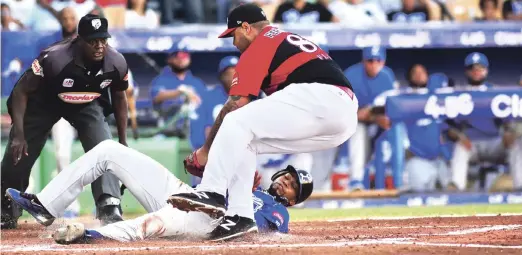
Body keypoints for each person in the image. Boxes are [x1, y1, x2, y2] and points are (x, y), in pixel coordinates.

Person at [168, 3, 357, 241]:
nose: (233, 43)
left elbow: (236, 104)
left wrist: (206, 152)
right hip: (344, 117)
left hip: (322, 98)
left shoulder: (260, 44)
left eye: (233, 35)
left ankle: (211, 191)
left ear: (246, 28)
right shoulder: (282, 38)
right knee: (247, 140)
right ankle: (241, 216)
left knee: (236, 120)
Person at [5, 140, 313, 244]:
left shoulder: (279, 211)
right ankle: (46, 205)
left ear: (294, 199)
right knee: (110, 150)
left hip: (206, 221)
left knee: (152, 223)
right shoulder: (247, 181)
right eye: (289, 176)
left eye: (295, 187)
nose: (288, 183)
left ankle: (92, 237)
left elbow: (263, 234)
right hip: (182, 194)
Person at [0, 14, 129, 229]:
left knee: (105, 147)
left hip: (86, 103)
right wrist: (19, 134)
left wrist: (123, 141)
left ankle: (109, 205)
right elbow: (21, 91)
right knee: (18, 151)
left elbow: (119, 99)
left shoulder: (116, 62)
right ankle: (5, 208)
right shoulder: (54, 59)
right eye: (92, 41)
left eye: (103, 40)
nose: (99, 46)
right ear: (79, 40)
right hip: (45, 102)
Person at [446, 52, 522, 191]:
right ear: (467, 72)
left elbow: (508, 121)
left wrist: (509, 132)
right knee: (460, 147)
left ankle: (520, 186)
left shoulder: (496, 93)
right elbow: (449, 126)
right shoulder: (459, 95)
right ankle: (457, 187)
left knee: (517, 143)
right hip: (471, 144)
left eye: (480, 68)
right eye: (472, 69)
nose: (476, 72)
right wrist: (460, 136)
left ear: (486, 71)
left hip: (495, 143)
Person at [343, 46, 396, 190]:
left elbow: (390, 108)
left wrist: (374, 116)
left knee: (396, 129)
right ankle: (356, 181)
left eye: (378, 61)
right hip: (355, 121)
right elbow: (342, 108)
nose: (374, 65)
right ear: (363, 61)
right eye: (370, 61)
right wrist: (360, 114)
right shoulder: (352, 75)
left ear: (383, 62)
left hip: (377, 122)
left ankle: (398, 180)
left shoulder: (387, 76)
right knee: (357, 132)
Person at [150, 50, 204, 124]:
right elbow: (157, 97)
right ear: (169, 59)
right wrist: (181, 91)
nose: (181, 60)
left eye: (184, 56)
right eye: (177, 57)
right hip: (167, 126)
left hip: (193, 125)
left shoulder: (197, 82)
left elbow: (203, 102)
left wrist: (192, 96)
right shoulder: (160, 80)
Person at [273, 0, 338, 23]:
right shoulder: (283, 7)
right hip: (290, 42)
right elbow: (277, 24)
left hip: (313, 43)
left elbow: (335, 20)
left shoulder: (317, 7)